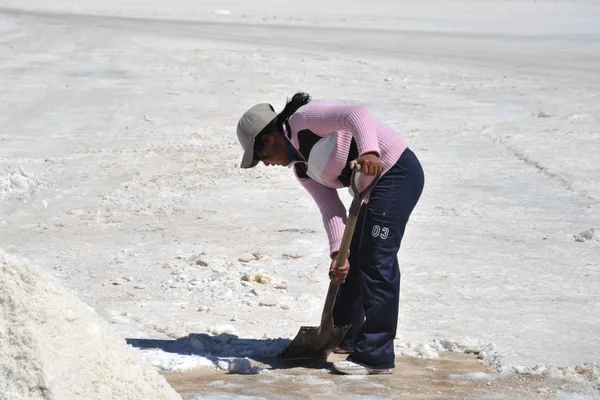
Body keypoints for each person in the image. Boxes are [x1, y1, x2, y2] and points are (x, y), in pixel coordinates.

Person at [235, 92, 425, 375]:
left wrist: (370, 152)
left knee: (376, 259)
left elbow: (356, 114)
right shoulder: (302, 170)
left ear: (269, 138)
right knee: (354, 262)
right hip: (370, 191)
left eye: (260, 156)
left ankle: (375, 355)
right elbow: (331, 210)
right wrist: (339, 254)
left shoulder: (304, 121)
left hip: (397, 172)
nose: (264, 164)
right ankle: (348, 336)